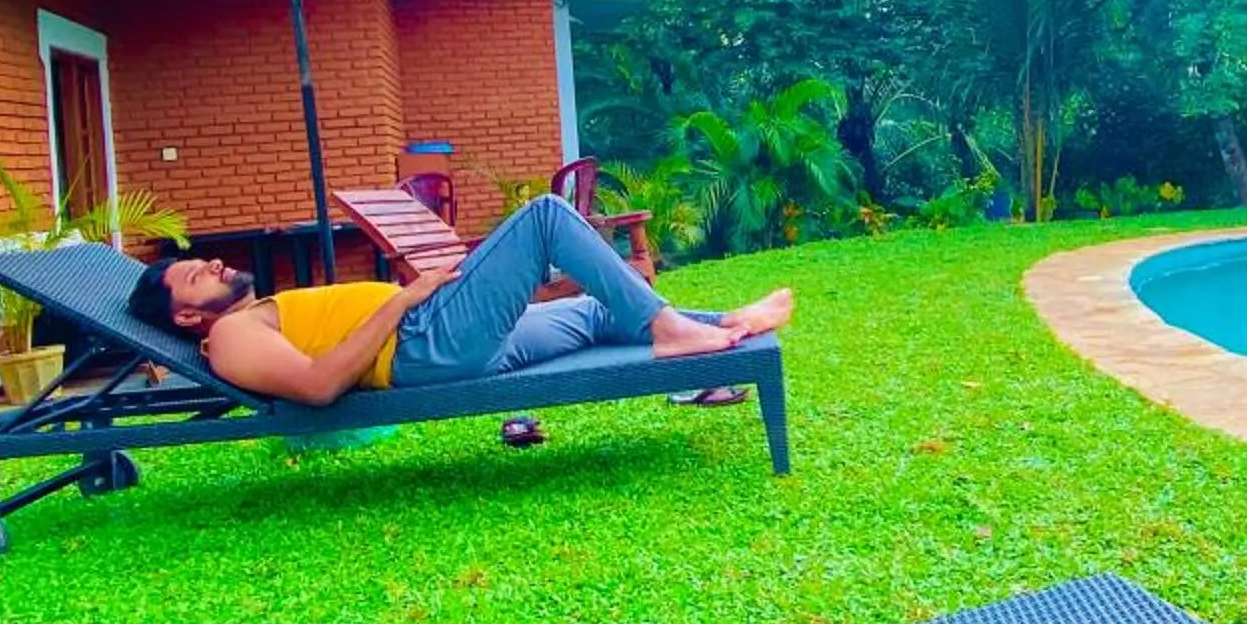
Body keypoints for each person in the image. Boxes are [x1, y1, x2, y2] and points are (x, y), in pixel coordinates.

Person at [128, 192, 793, 407]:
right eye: (197, 276)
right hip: (425, 344)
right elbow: (318, 386)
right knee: (544, 218)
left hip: (439, 332)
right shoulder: (230, 338)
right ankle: (677, 331)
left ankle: (724, 324)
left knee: (595, 313)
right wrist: (404, 299)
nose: (213, 263)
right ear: (189, 317)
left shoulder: (251, 313)